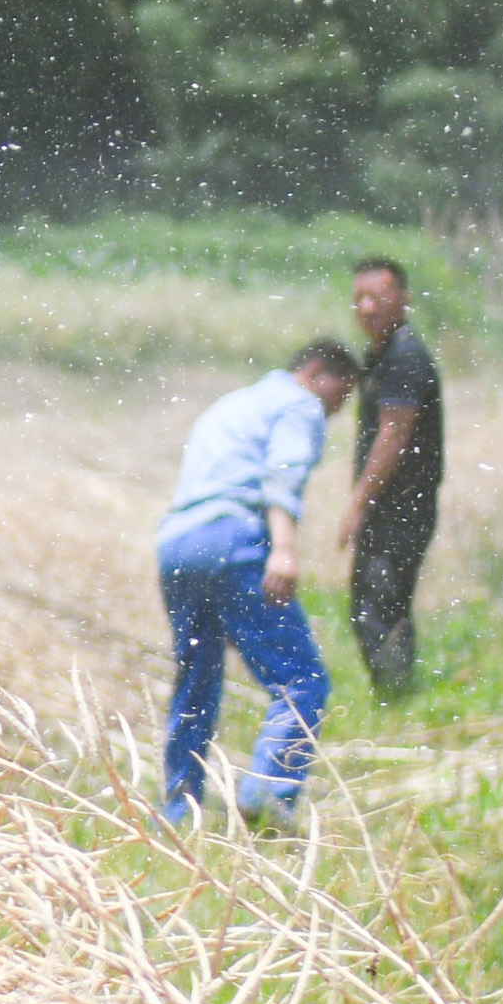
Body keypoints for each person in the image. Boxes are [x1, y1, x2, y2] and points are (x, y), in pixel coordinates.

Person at [154, 338, 360, 825]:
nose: (337, 408)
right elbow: (281, 477)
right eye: (341, 393)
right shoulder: (299, 405)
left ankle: (178, 810)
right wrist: (285, 550)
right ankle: (266, 801)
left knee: (196, 683)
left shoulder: (234, 403)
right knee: (301, 680)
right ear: (314, 373)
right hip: (234, 539)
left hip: (178, 543)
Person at [338, 253, 446, 704]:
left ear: (402, 299)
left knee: (377, 606)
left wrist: (359, 502)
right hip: (396, 504)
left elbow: (394, 433)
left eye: (377, 297)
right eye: (359, 298)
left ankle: (396, 700)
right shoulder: (385, 353)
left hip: (400, 506)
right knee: (380, 603)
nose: (366, 307)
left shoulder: (404, 356)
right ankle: (396, 695)